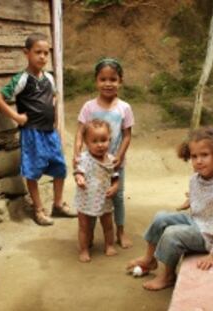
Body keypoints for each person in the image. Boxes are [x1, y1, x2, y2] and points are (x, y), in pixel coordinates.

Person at [127, 127, 213, 291]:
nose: (199, 161)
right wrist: (190, 200)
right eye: (194, 156)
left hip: (211, 235)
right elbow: (203, 196)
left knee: (172, 233)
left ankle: (167, 276)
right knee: (161, 217)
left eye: (204, 155)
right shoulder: (195, 179)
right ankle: (149, 259)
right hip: (197, 221)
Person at [0, 32, 75, 226]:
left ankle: (57, 204)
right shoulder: (22, 79)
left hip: (50, 132)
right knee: (32, 171)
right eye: (38, 52)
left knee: (60, 168)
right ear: (26, 53)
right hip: (32, 133)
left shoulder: (49, 77)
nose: (42, 57)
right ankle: (38, 209)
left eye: (46, 53)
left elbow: (54, 98)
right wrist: (16, 117)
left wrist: (56, 121)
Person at [74, 58, 134, 248]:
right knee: (90, 194)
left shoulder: (124, 108)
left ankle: (120, 232)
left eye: (113, 79)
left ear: (120, 81)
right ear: (96, 81)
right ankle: (88, 234)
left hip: (114, 163)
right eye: (103, 79)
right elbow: (79, 132)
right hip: (91, 164)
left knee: (117, 196)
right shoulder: (89, 107)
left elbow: (127, 135)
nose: (108, 84)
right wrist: (76, 154)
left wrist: (120, 156)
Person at [74, 119, 119, 262]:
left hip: (104, 199)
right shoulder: (84, 158)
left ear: (109, 140)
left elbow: (115, 177)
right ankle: (84, 249)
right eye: (94, 141)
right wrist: (79, 178)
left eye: (104, 140)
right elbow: (78, 172)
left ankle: (109, 245)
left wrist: (115, 187)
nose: (100, 145)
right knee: (84, 227)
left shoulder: (110, 159)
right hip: (86, 200)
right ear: (86, 143)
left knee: (108, 225)